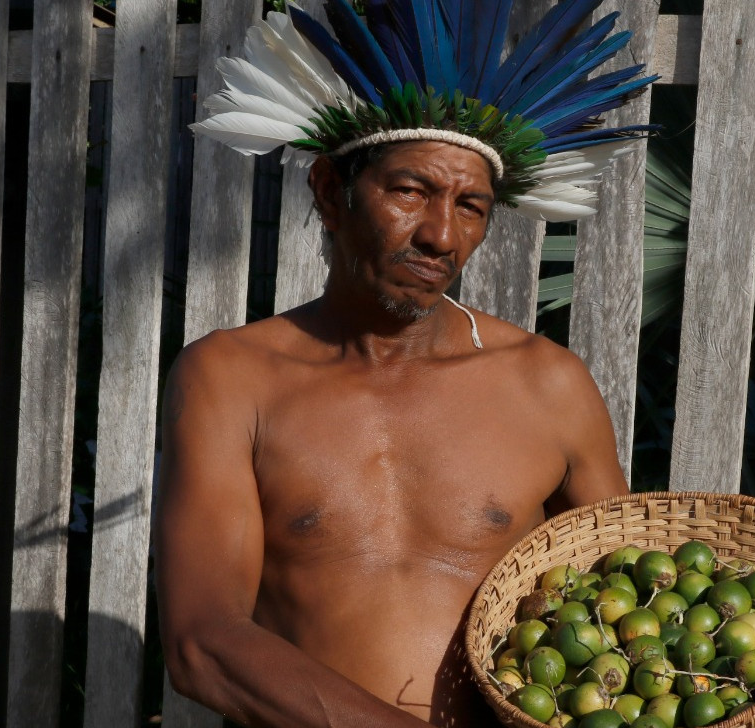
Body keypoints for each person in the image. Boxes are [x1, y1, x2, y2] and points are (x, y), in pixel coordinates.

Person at [155, 1, 657, 725]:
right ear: (332, 190)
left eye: (471, 206)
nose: (441, 236)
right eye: (410, 191)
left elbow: (633, 600)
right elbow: (203, 643)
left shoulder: (547, 385)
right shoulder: (233, 379)